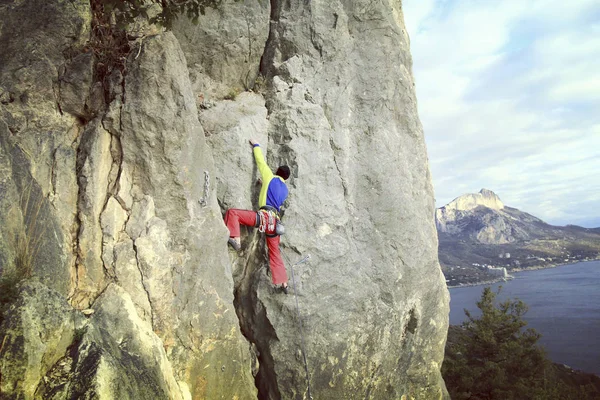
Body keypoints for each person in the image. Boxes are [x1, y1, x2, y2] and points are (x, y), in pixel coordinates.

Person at [224, 139, 291, 293]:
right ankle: (284, 283)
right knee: (275, 253)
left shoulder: (270, 176)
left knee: (232, 213)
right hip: (275, 224)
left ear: (276, 171)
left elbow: (260, 161)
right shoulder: (285, 190)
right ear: (285, 178)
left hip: (263, 218)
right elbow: (274, 198)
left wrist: (256, 145)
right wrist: (263, 184)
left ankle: (235, 238)